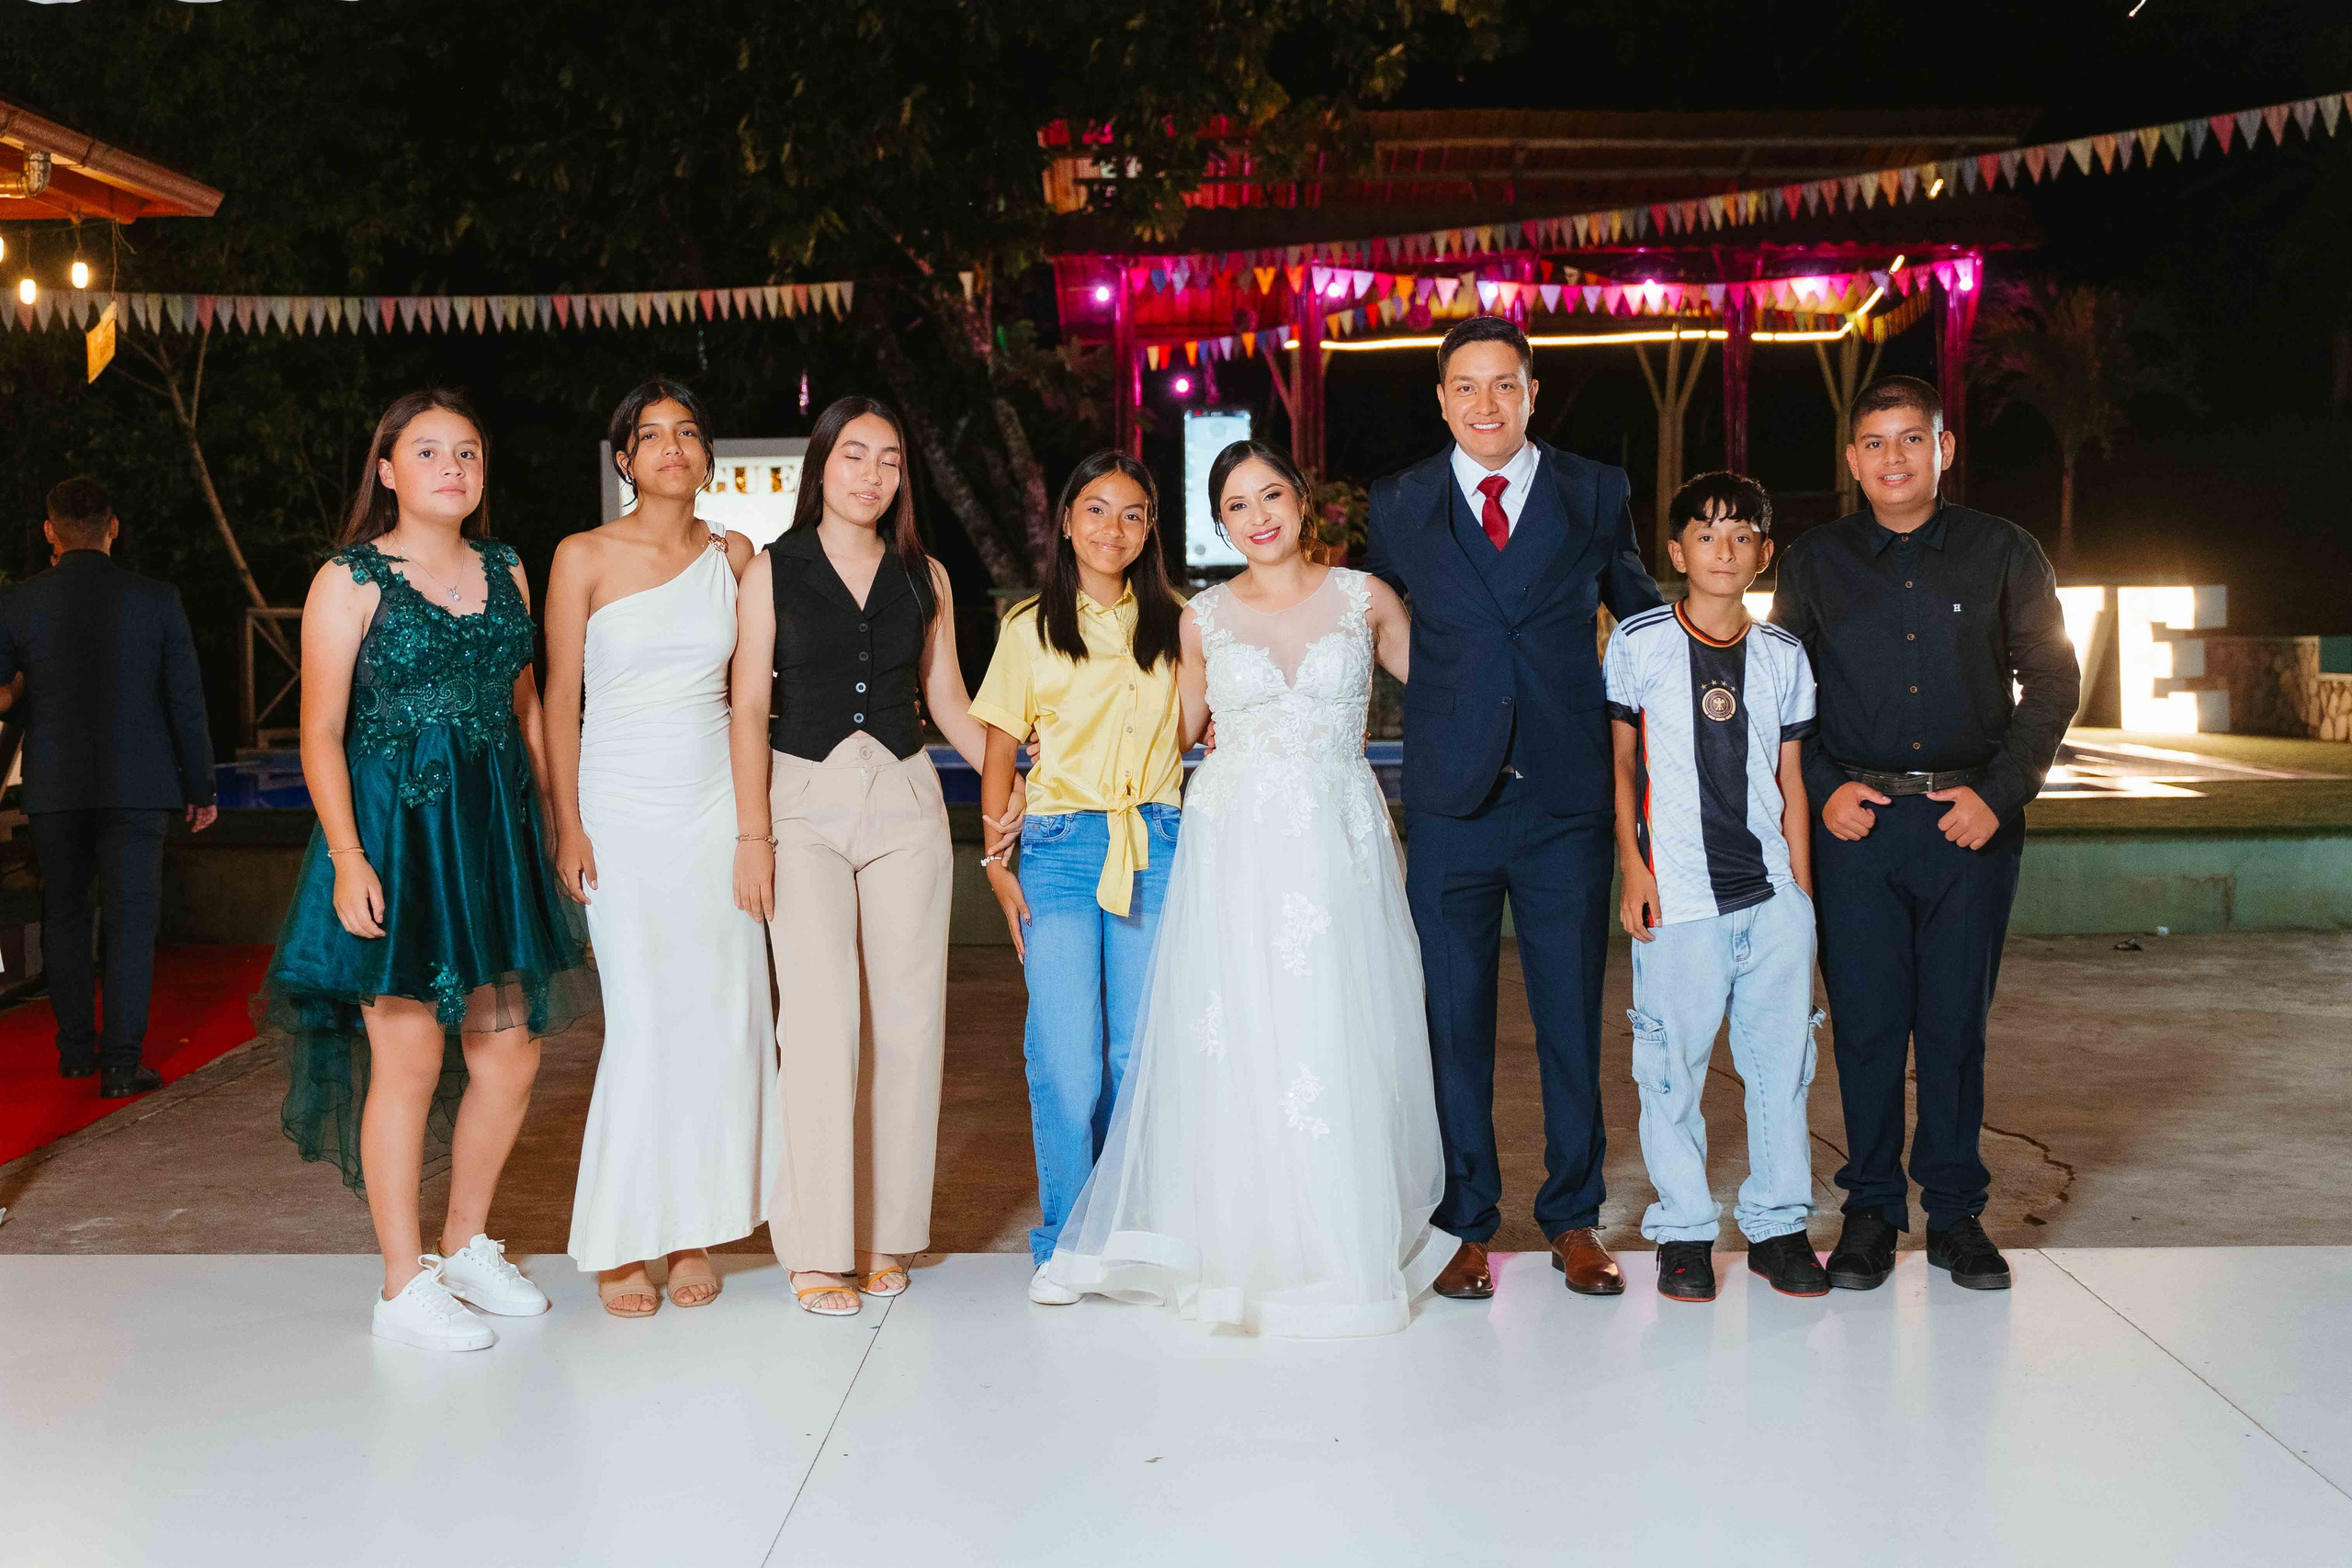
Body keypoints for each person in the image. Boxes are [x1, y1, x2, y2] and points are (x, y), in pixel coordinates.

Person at [1045, 441, 1445, 1337]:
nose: (1257, 514)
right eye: (1236, 504)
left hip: (1338, 832)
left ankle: (1335, 1239)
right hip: (1235, 841)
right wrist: (1061, 766)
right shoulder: (1204, 619)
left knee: (1334, 1025)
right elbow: (1172, 730)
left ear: (1303, 501)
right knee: (1244, 1029)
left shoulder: (1364, 598)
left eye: (1270, 494)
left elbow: (1447, 692)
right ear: (1219, 523)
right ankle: (1242, 1238)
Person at [258, 389, 594, 1351]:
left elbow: (526, 710)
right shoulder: (350, 578)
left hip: (489, 837)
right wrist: (349, 858)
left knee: (512, 1051)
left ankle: (466, 1246)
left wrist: (558, 827)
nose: (454, 467)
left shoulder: (508, 569)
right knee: (408, 1058)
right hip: (395, 839)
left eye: (469, 453)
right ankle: (404, 1284)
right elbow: (319, 732)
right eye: (430, 451)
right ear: (388, 470)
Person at [1363, 315, 1663, 1302]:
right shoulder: (1400, 501)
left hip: (1563, 793)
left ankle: (1573, 1218)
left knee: (1569, 1016)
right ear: (1441, 398)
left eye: (1504, 385)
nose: (1485, 404)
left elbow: (1640, 618)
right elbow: (1363, 624)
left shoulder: (1591, 489)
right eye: (1465, 386)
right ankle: (1464, 1223)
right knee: (1451, 1019)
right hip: (1449, 797)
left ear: (1532, 393)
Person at [1771, 376, 2079, 1292]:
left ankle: (1954, 1218)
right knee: (1865, 1029)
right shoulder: (1815, 560)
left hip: (1968, 827)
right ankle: (1869, 1212)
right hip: (1855, 829)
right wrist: (1822, 788)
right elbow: (1785, 693)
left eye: (1911, 439)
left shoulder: (2002, 551)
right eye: (1874, 442)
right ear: (1853, 458)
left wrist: (1999, 792)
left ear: (1943, 449)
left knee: (1952, 1028)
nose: (1893, 458)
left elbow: (2053, 681)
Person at [729, 395, 1018, 1318]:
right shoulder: (772, 570)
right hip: (801, 804)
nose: (872, 474)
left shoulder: (922, 573)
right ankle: (816, 1249)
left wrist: (1018, 780)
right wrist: (753, 835)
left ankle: (884, 1233)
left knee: (907, 1025)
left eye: (889, 460)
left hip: (904, 804)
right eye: (854, 456)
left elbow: (948, 700)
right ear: (821, 467)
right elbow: (744, 708)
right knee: (819, 1026)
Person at [543, 378, 778, 1318]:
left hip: (714, 804)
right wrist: (569, 823)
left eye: (688, 432)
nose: (673, 445)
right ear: (625, 460)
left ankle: (693, 1233)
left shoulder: (736, 557)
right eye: (652, 435)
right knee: (642, 1022)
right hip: (620, 805)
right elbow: (560, 699)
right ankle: (619, 1240)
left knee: (719, 1018)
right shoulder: (581, 556)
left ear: (705, 456)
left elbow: (749, 702)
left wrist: (754, 831)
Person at [1606, 473, 1829, 1303]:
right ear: (1676, 552)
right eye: (1706, 534)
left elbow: (1792, 781)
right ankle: (1686, 1231)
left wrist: (1801, 896)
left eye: (1741, 536)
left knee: (1782, 1068)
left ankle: (1778, 1227)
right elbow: (1625, 767)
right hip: (1682, 898)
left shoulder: (1784, 658)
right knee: (1670, 1068)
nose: (1723, 549)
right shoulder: (1637, 643)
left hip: (1771, 898)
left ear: (1764, 554)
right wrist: (1635, 866)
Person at [970, 452, 1187, 1305]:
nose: (1113, 528)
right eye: (1096, 510)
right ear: (1066, 521)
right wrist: (996, 862)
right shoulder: (1029, 625)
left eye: (1133, 514)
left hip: (1157, 841)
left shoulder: (1176, 622)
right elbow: (997, 751)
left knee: (1137, 1055)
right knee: (1067, 1059)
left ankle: (1131, 1234)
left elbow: (1203, 725)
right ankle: (1065, 1240)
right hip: (1059, 849)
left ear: (1150, 529)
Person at [0, 477, 215, 1099]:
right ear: (113, 526)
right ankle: (122, 1064)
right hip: (139, 784)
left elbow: (8, 693)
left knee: (63, 914)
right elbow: (185, 701)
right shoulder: (157, 598)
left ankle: (73, 1055)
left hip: (55, 783)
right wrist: (200, 784)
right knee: (130, 920)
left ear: (50, 530)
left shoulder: (17, 602)